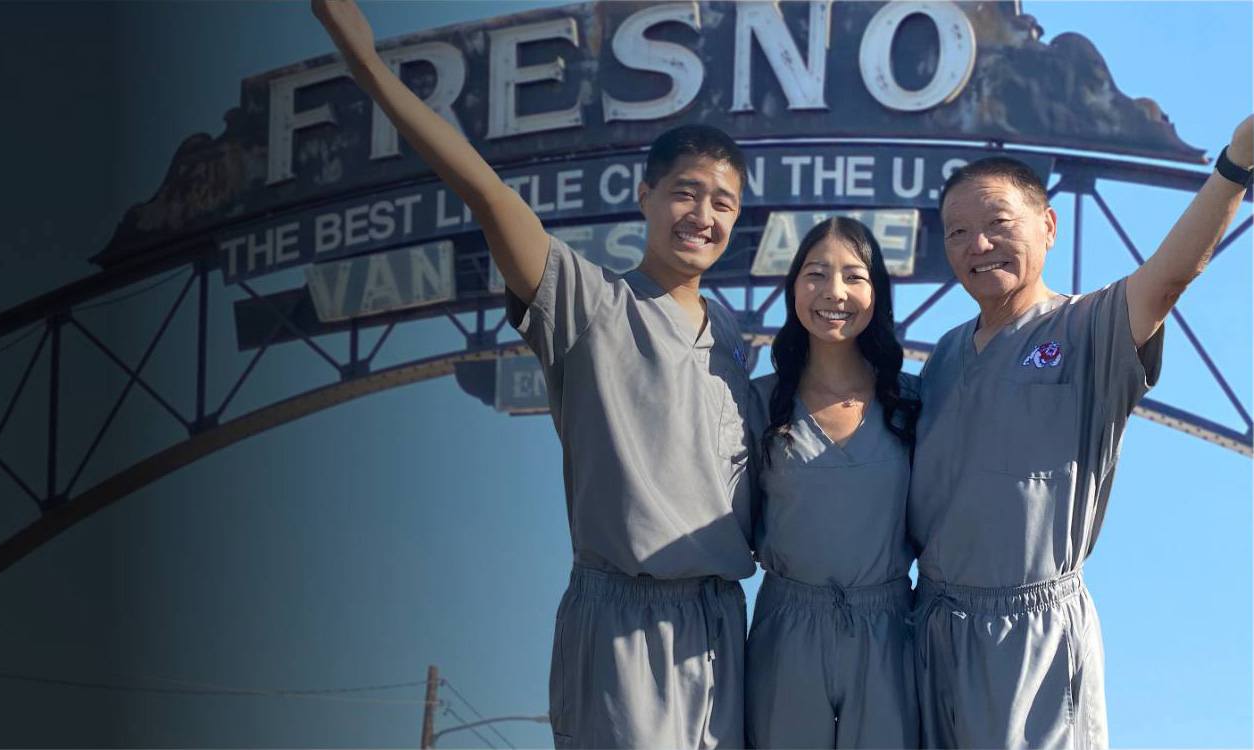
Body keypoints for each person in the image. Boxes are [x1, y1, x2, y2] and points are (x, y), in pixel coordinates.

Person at [311, 2, 759, 747]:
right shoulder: (587, 303)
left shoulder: (733, 338)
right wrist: (367, 67)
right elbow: (489, 195)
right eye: (684, 190)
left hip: (720, 627)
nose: (701, 214)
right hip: (622, 621)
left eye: (723, 201)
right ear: (644, 194)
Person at [909, 117, 1253, 748]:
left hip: (1033, 640)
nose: (978, 245)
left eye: (998, 225)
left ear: (1048, 225)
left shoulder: (1087, 328)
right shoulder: (943, 358)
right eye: (958, 233)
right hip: (930, 634)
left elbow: (1173, 274)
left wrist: (1237, 161)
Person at [745, 217, 921, 748]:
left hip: (890, 628)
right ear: (794, 286)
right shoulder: (757, 401)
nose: (834, 293)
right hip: (786, 627)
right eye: (816, 274)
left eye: (854, 276)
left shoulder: (914, 402)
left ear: (877, 292)